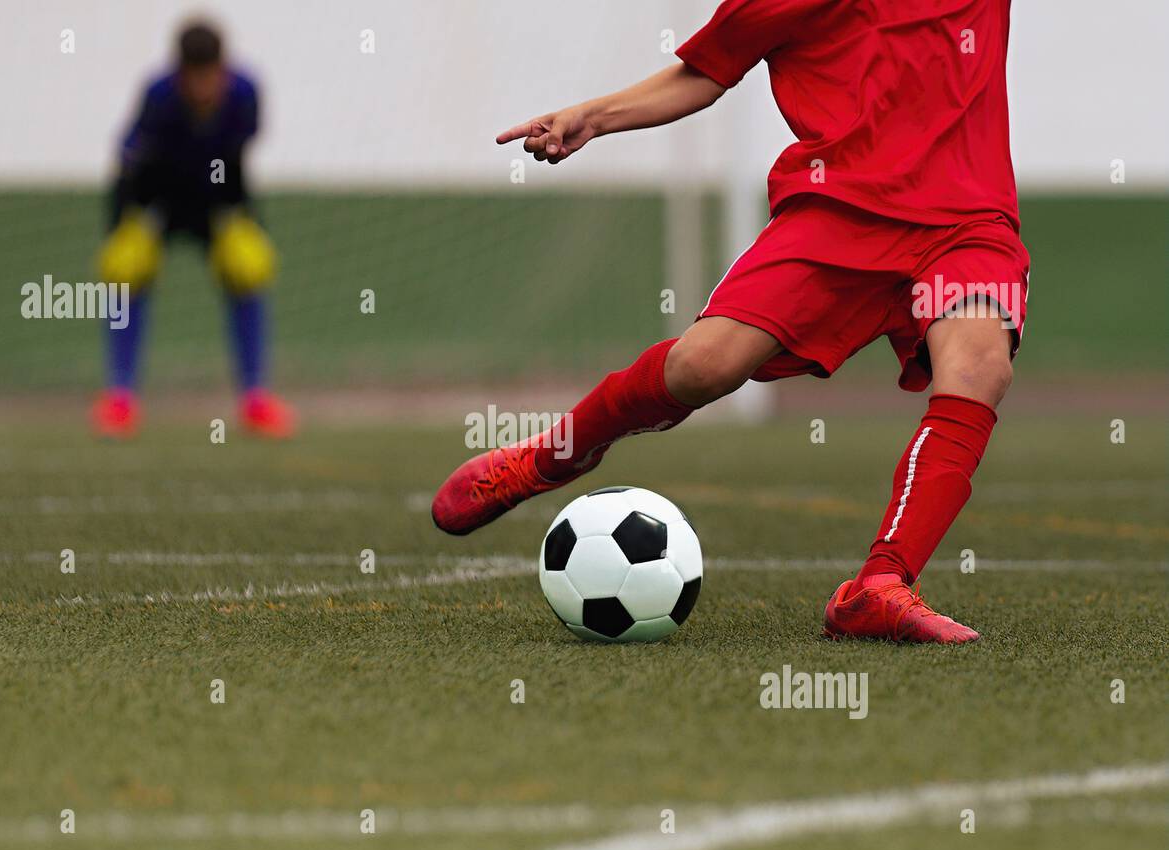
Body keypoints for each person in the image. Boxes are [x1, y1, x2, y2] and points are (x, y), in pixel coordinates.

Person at [432, 0, 1030, 644]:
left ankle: (879, 586)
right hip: (839, 210)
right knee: (704, 366)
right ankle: (551, 457)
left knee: (977, 365)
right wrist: (593, 117)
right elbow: (707, 72)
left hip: (968, 218)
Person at [92, 20, 294, 438]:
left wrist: (241, 216)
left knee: (248, 270)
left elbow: (237, 159)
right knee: (125, 274)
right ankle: (119, 398)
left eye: (210, 78)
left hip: (215, 198)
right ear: (180, 73)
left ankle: (256, 398)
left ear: (223, 69)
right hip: (158, 197)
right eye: (194, 79)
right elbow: (130, 163)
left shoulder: (244, 94)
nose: (203, 89)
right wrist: (122, 225)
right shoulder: (158, 96)